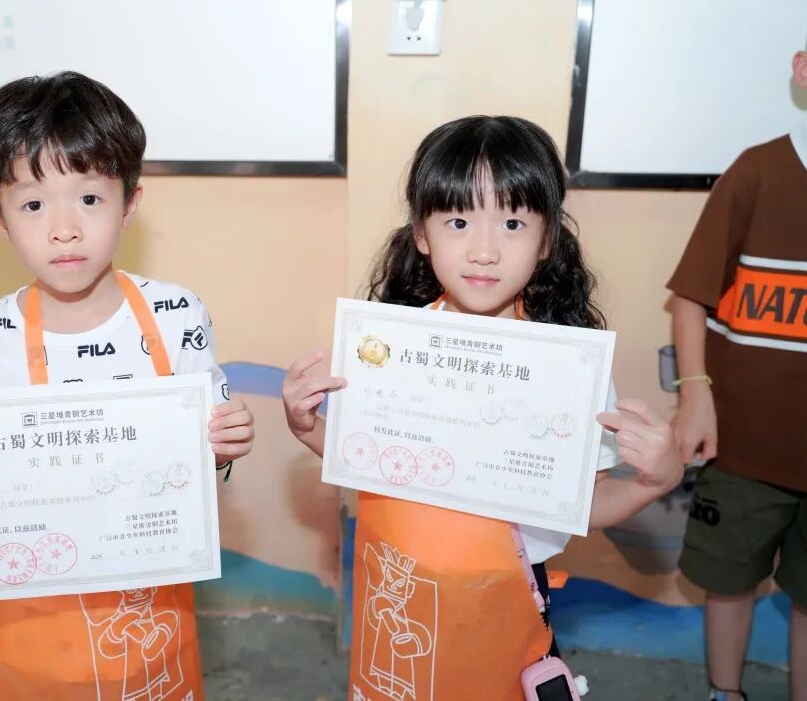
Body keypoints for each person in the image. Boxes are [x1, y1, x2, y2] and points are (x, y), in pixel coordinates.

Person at [0, 71, 254, 700]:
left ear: (130, 202)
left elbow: (204, 465)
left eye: (90, 199)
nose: (64, 228)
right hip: (34, 640)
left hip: (151, 630)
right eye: (33, 205)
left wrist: (224, 443)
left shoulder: (176, 314)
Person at [282, 115, 683, 700]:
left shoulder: (569, 370)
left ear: (547, 241)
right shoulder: (389, 349)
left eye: (513, 223)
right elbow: (368, 455)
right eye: (459, 221)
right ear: (422, 234)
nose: (485, 250)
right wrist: (308, 427)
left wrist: (657, 480)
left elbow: (584, 505)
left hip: (507, 594)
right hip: (400, 584)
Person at [668, 47, 807, 701]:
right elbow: (689, 299)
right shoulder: (757, 172)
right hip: (742, 448)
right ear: (803, 69)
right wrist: (695, 396)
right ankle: (726, 692)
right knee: (727, 581)